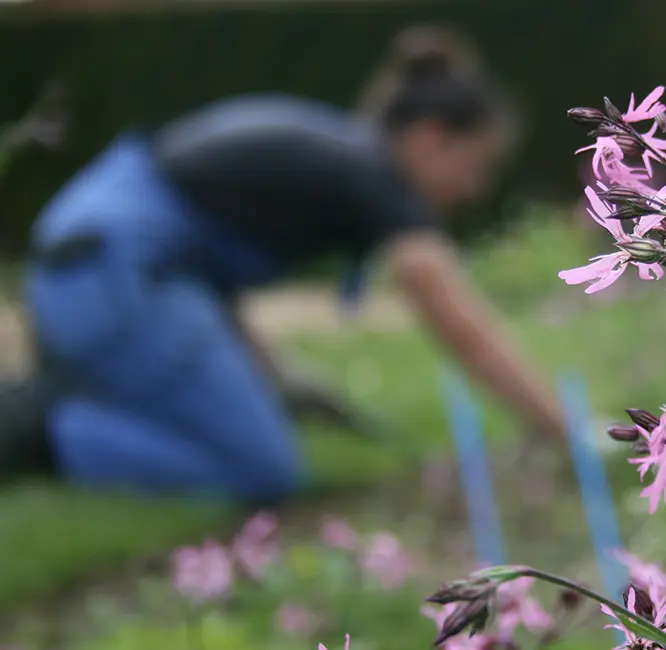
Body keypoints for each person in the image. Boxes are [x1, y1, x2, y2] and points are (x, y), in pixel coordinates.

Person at [7, 25, 566, 503]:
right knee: (260, 469)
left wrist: (276, 378)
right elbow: (465, 331)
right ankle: (43, 428)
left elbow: (202, 270)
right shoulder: (375, 179)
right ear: (430, 137)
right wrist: (565, 429)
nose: (474, 189)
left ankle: (72, 402)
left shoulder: (343, 153)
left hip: (91, 264)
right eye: (476, 165)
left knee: (248, 429)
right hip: (106, 272)